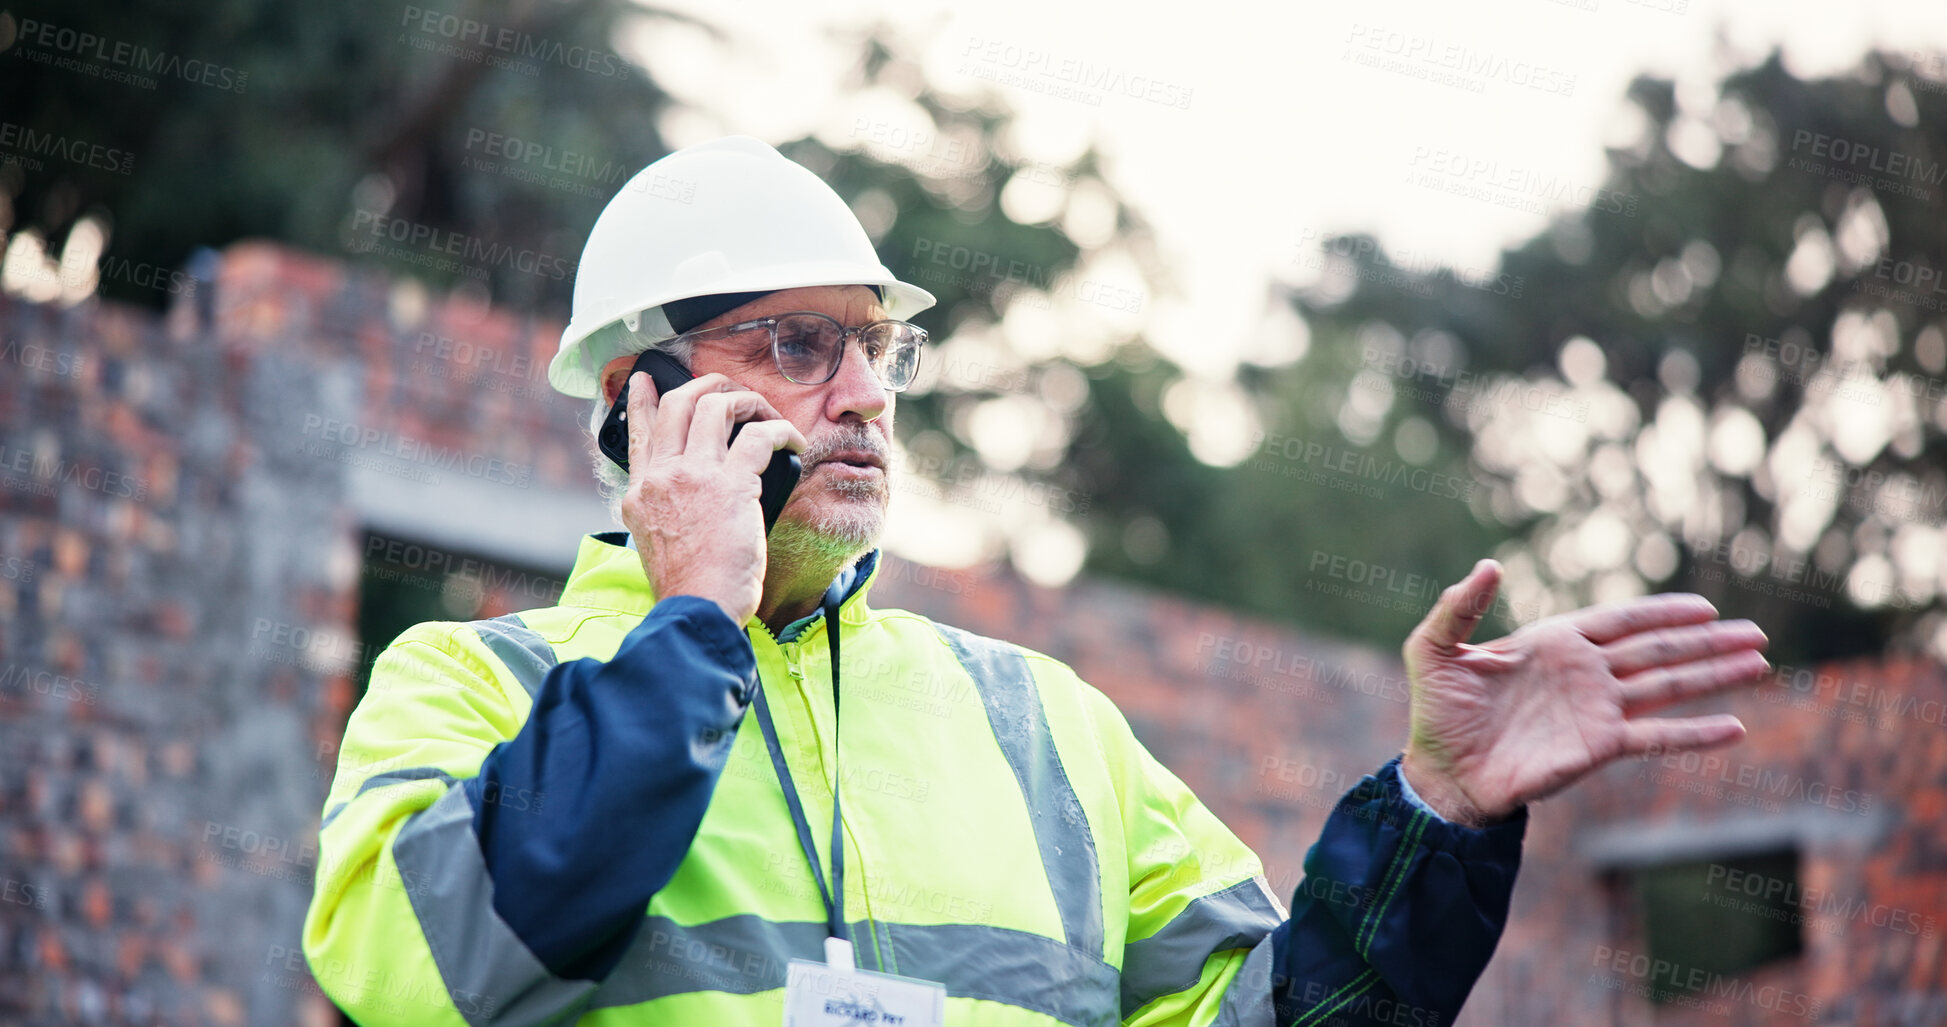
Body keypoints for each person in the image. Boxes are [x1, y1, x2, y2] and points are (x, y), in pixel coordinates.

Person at [302, 136, 1771, 1026]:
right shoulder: (468, 690)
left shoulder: (1046, 727)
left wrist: (1433, 818)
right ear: (643, 399)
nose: (865, 396)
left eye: (881, 349)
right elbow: (427, 975)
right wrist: (693, 619)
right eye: (800, 346)